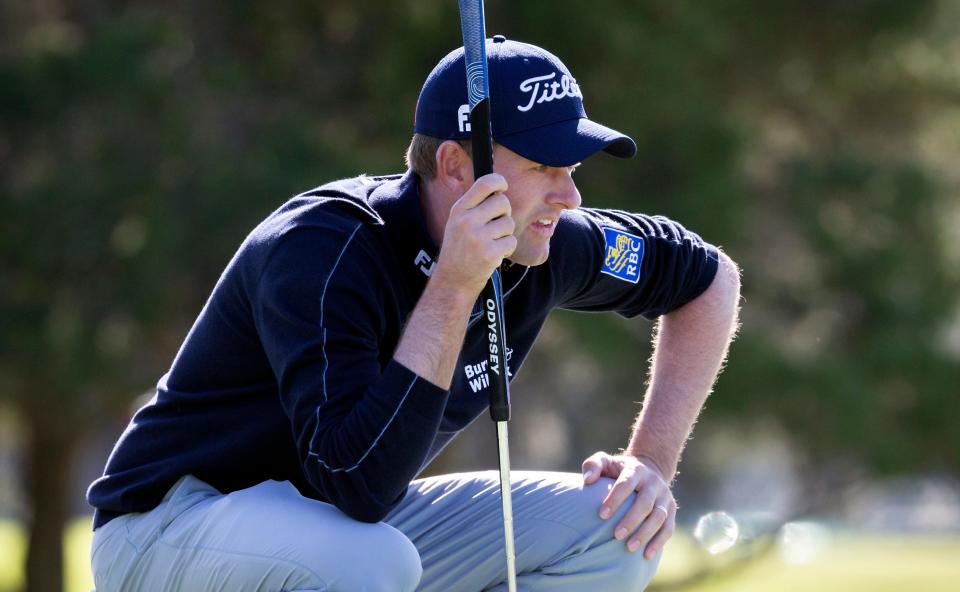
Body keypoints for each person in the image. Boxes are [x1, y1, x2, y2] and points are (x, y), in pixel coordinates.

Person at [87, 35, 741, 592]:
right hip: (169, 526)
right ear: (458, 166)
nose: (570, 197)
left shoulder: (547, 241)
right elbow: (356, 483)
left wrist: (650, 463)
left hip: (344, 533)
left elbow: (710, 280)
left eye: (571, 169)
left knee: (618, 524)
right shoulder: (324, 248)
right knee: (373, 560)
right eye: (545, 167)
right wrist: (454, 288)